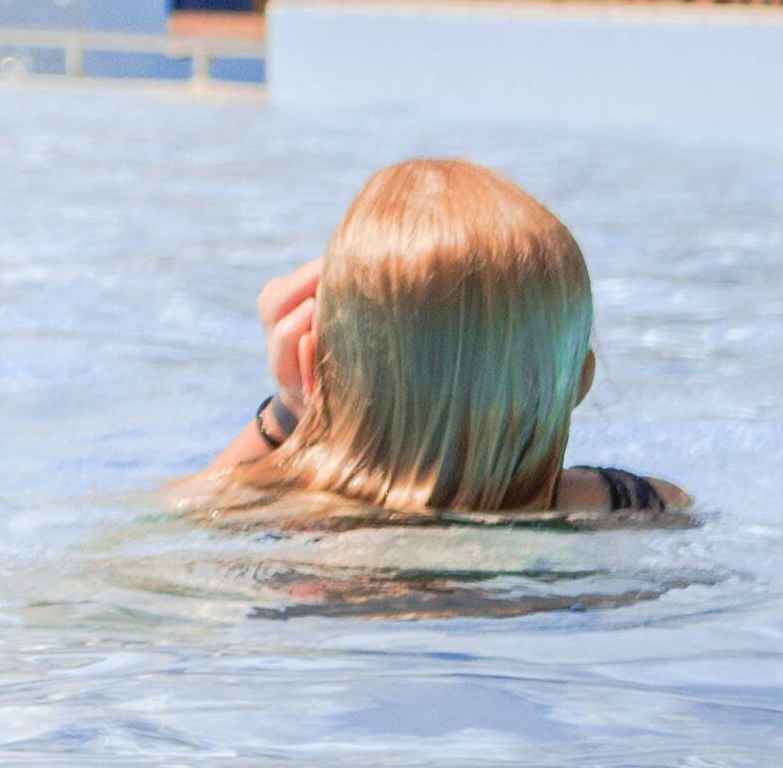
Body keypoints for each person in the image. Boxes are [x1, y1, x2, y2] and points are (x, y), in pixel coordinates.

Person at [175, 159, 694, 526]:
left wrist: (287, 411)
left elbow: (174, 513)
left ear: (311, 367)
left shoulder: (274, 509)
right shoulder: (635, 505)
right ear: (580, 380)